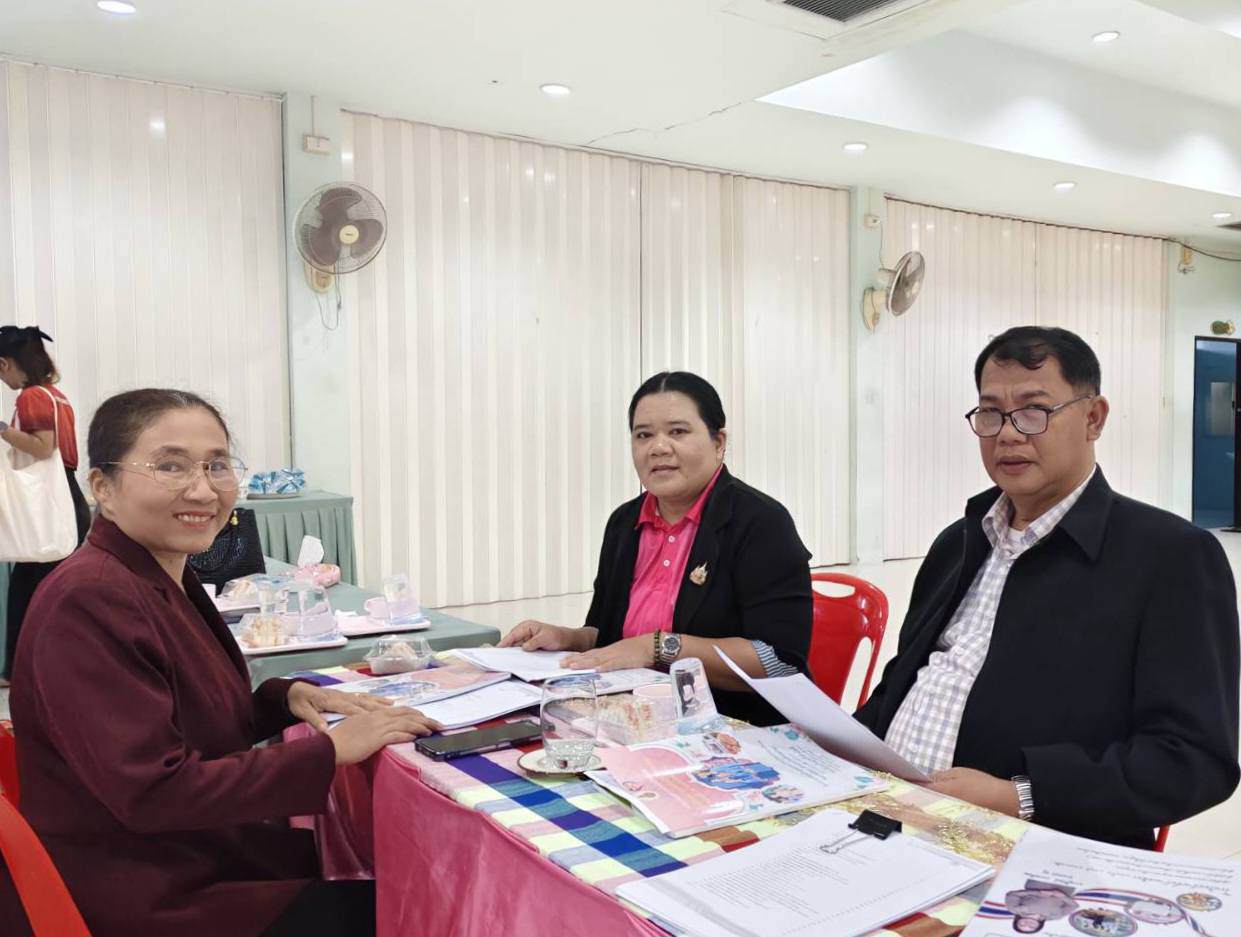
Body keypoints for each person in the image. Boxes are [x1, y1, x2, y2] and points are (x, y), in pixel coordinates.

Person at [0, 389, 441, 937]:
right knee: (422, 910)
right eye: (170, 466)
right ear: (103, 487)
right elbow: (153, 792)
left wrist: (281, 699)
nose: (203, 490)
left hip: (187, 855)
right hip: (144, 892)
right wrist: (329, 752)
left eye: (216, 465)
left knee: (402, 879)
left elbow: (176, 718)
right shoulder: (91, 598)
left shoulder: (156, 573)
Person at [855, 326, 1240, 847]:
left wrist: (1020, 795)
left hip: (1038, 848)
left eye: (1034, 411)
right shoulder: (958, 543)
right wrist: (836, 746)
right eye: (990, 413)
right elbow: (902, 683)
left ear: (1093, 418)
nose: (1008, 434)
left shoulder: (1170, 557)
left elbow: (1192, 760)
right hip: (887, 817)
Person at [501, 371, 813, 725]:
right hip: (632, 720)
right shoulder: (625, 522)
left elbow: (779, 662)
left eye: (677, 431)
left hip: (735, 727)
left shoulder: (760, 522)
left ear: (718, 442)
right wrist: (567, 638)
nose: (658, 447)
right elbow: (608, 634)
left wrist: (658, 647)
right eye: (643, 435)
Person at [0, 325, 91, 681]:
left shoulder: (31, 396)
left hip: (50, 503)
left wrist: (3, 430)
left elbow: (42, 447)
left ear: (5, 363)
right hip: (66, 497)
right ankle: (30, 669)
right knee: (40, 587)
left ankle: (26, 670)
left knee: (31, 590)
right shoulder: (57, 396)